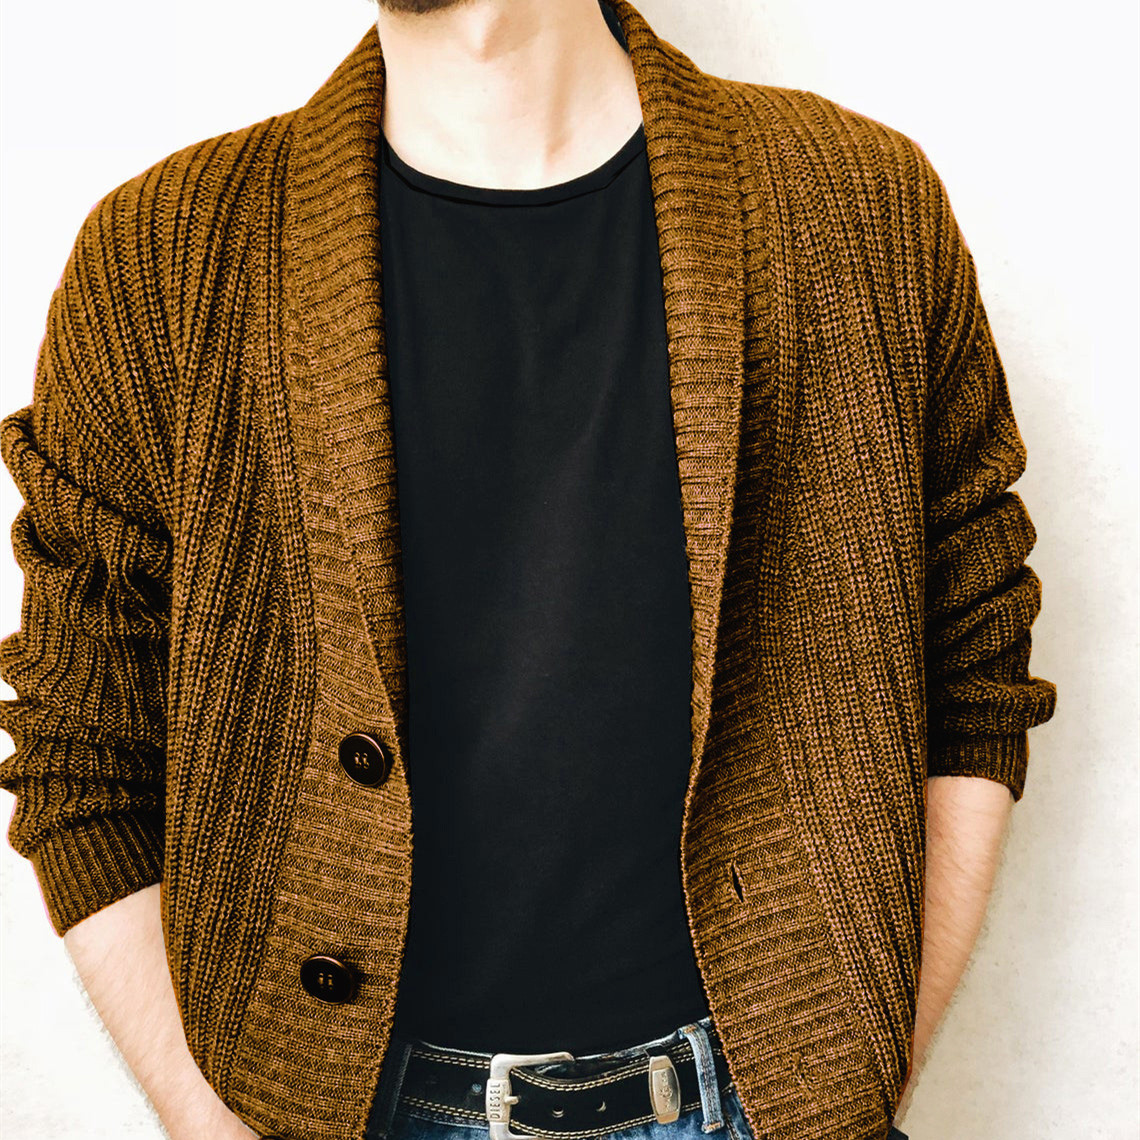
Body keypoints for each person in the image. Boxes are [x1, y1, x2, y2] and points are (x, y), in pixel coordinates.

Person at [0, 0, 1057, 1138]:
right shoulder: (161, 261)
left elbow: (972, 666)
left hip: (765, 1106)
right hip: (330, 1108)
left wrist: (854, 1076)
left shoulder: (856, 208)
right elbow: (83, 754)